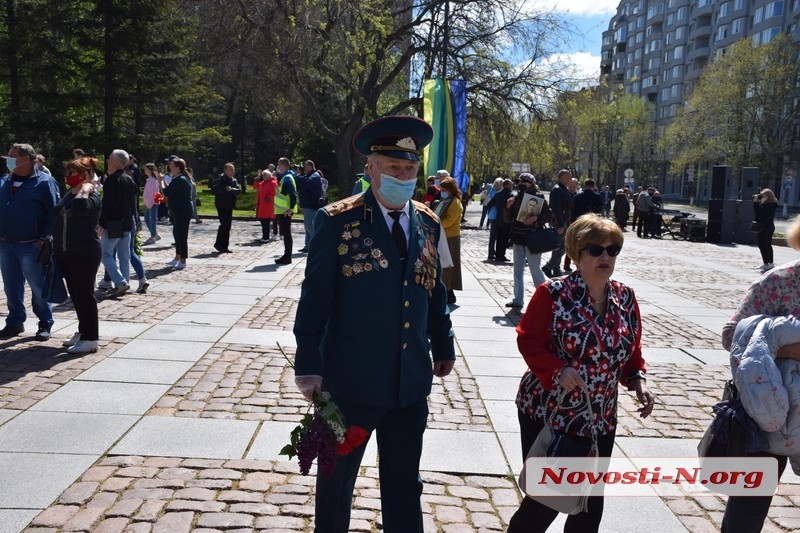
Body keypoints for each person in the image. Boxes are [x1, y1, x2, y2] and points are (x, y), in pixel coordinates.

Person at [293, 115, 455, 533]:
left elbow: (433, 290)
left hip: (409, 381)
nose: (403, 176)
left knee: (405, 482)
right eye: (393, 168)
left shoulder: (428, 222)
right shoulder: (337, 221)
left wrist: (444, 342)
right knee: (336, 482)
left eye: (410, 169)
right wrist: (309, 362)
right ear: (371, 169)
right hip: (350, 382)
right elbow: (315, 299)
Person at [507, 214, 655, 532]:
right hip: (552, 412)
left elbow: (631, 348)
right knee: (544, 502)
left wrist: (637, 379)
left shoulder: (625, 297)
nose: (605, 256)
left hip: (600, 417)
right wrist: (557, 369)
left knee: (589, 506)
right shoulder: (553, 294)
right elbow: (528, 339)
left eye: (612, 249)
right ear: (576, 252)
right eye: (595, 249)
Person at [719, 215, 800, 533]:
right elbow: (731, 334)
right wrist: (783, 349)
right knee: (748, 507)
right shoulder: (780, 282)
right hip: (770, 413)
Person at [0, 143, 60, 340]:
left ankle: (45, 322)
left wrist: (44, 238)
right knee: (11, 286)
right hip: (6, 244)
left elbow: (54, 213)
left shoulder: (45, 182)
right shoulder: (6, 181)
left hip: (31, 245)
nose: (8, 160)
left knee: (38, 286)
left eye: (12, 156)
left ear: (26, 159)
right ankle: (15, 321)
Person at [54, 157, 102, 354]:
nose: (68, 177)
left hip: (85, 252)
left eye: (72, 173)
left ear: (84, 175)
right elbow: (56, 211)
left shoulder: (91, 196)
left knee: (85, 295)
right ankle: (83, 332)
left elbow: (81, 208)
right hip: (67, 252)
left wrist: (86, 188)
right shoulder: (70, 193)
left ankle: (91, 338)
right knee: (76, 295)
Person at [504, 173, 550, 309]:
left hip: (532, 238)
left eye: (523, 182)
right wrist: (507, 207)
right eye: (518, 182)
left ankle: (545, 298)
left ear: (530, 183)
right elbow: (508, 219)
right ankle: (518, 299)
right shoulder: (516, 197)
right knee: (517, 269)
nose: (520, 185)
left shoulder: (538, 197)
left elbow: (548, 215)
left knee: (534, 269)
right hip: (518, 236)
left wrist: (535, 218)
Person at [98, 149, 138, 298]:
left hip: (113, 222)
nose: (108, 161)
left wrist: (101, 223)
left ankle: (121, 282)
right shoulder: (129, 179)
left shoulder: (111, 180)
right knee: (124, 256)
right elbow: (132, 204)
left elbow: (107, 204)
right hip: (127, 222)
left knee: (105, 254)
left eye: (110, 158)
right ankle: (124, 282)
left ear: (116, 161)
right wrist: (135, 221)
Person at [434, 176, 463, 305]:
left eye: (443, 189)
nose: (441, 191)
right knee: (445, 265)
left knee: (449, 265)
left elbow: (450, 221)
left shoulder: (455, 202)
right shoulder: (447, 200)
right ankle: (447, 291)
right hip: (445, 236)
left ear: (449, 189)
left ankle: (449, 292)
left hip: (451, 236)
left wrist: (436, 223)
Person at [162, 158, 193, 270]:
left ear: (178, 168)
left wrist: (160, 180)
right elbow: (170, 190)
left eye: (172, 165)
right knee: (176, 232)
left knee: (181, 235)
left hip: (182, 211)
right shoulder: (178, 178)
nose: (170, 167)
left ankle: (183, 259)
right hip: (179, 210)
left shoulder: (180, 179)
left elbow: (166, 192)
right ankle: (177, 257)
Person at [542, 169, 573, 278]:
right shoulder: (557, 190)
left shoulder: (563, 189)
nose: (570, 179)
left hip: (563, 221)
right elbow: (556, 208)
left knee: (559, 246)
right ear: (563, 177)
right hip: (559, 222)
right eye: (569, 177)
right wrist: (560, 224)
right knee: (562, 247)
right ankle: (549, 266)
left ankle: (555, 269)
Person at [211, 162, 240, 254]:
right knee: (224, 224)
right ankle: (219, 244)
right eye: (231, 169)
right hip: (221, 205)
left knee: (228, 226)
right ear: (225, 170)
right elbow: (214, 190)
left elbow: (238, 190)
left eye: (233, 169)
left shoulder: (234, 180)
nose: (233, 171)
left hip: (229, 205)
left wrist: (232, 190)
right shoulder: (220, 179)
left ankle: (225, 246)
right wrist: (225, 189)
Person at [274, 157, 297, 265]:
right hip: (283, 210)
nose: (277, 167)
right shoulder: (285, 177)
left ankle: (287, 257)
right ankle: (286, 255)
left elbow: (292, 194)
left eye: (278, 165)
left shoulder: (287, 178)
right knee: (286, 234)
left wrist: (291, 208)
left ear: (282, 165)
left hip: (285, 211)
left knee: (287, 234)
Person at [297, 160, 324, 252]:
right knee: (307, 225)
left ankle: (319, 243)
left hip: (311, 204)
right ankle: (308, 246)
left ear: (310, 166)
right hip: (308, 204)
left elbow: (305, 184)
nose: (303, 168)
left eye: (304, 166)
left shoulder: (315, 176)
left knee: (309, 224)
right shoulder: (310, 176)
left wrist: (298, 175)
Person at [753, 188, 778, 272]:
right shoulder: (773, 204)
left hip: (763, 227)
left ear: (768, 196)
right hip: (770, 226)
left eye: (763, 195)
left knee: (762, 245)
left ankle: (766, 263)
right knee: (768, 245)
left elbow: (758, 213)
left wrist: (756, 202)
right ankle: (770, 263)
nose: (761, 197)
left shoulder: (767, 205)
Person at [489, 179, 514, 262]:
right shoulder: (510, 195)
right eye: (511, 184)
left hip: (498, 219)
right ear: (507, 185)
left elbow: (490, 204)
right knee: (505, 238)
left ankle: (498, 254)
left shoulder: (498, 194)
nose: (512, 186)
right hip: (507, 219)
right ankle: (501, 254)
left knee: (499, 238)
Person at [254, 170, 277, 242]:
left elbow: (274, 193)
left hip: (267, 206)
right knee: (263, 222)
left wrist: (268, 198)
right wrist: (257, 178)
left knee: (266, 222)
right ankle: (264, 236)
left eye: (265, 175)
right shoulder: (263, 183)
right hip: (262, 205)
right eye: (263, 175)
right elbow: (256, 186)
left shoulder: (273, 183)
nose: (263, 177)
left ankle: (266, 237)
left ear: (269, 175)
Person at [142, 163, 162, 244]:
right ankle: (155, 234)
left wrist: (148, 203)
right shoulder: (150, 179)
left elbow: (152, 193)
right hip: (150, 202)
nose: (144, 171)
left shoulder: (153, 180)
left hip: (153, 202)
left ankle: (153, 236)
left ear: (150, 170)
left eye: (146, 169)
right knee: (147, 219)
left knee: (152, 220)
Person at [485, 178, 503, 261]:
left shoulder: (492, 192)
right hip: (495, 216)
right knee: (493, 236)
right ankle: (491, 253)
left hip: (492, 215)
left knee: (493, 236)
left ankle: (492, 252)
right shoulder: (496, 193)